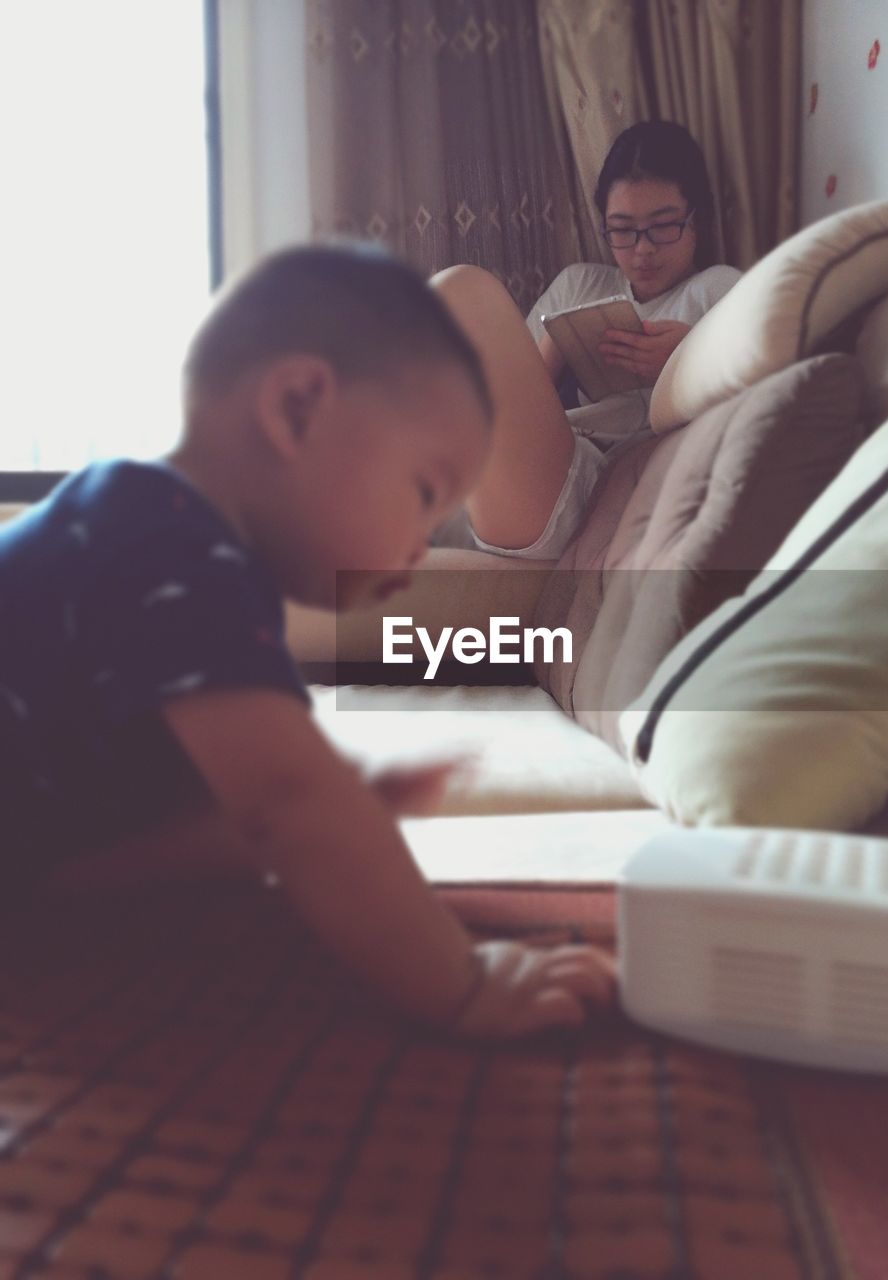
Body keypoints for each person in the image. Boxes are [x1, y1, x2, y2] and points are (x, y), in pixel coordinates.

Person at [0, 243, 616, 1038]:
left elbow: (223, 787)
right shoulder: (158, 533)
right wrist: (461, 981)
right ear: (297, 407)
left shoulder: (187, 552)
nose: (420, 545)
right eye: (425, 493)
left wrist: (335, 800)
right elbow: (285, 802)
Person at [432, 120, 742, 558]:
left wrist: (687, 360)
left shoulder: (717, 289)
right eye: (622, 229)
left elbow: (755, 394)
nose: (643, 249)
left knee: (460, 291)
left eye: (663, 225)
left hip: (588, 486)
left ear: (697, 220)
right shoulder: (579, 284)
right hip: (516, 466)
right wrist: (560, 345)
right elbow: (504, 402)